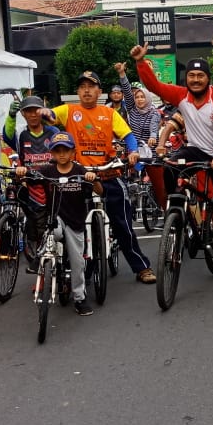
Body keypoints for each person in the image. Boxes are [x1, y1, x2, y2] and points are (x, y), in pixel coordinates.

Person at [135, 47, 213, 281]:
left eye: (201, 76)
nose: (196, 81)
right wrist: (140, 62)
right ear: (186, 79)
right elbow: (155, 87)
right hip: (195, 149)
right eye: (191, 77)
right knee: (167, 166)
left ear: (207, 78)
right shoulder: (181, 96)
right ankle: (176, 209)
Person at [43, 71, 153, 284]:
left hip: (108, 173)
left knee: (123, 223)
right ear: (77, 91)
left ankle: (141, 267)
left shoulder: (109, 113)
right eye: (82, 86)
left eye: (91, 86)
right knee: (69, 223)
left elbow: (128, 136)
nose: (86, 90)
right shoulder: (69, 110)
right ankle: (70, 266)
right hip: (79, 176)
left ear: (99, 91)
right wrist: (45, 111)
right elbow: (50, 116)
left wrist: (133, 152)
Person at [15, 131, 101, 316]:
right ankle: (40, 257)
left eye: (66, 150)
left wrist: (93, 179)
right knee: (53, 230)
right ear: (52, 154)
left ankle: (79, 298)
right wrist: (21, 173)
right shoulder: (47, 171)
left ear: (73, 153)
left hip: (76, 221)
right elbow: (27, 179)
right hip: (56, 218)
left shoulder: (79, 171)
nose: (62, 154)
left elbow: (100, 191)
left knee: (78, 262)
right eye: (57, 151)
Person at [3, 95, 61, 261]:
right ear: (23, 113)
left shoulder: (53, 131)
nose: (33, 114)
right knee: (37, 223)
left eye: (36, 110)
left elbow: (64, 149)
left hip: (52, 184)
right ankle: (40, 257)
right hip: (32, 186)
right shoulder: (21, 134)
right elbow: (7, 137)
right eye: (28, 111)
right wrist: (10, 116)